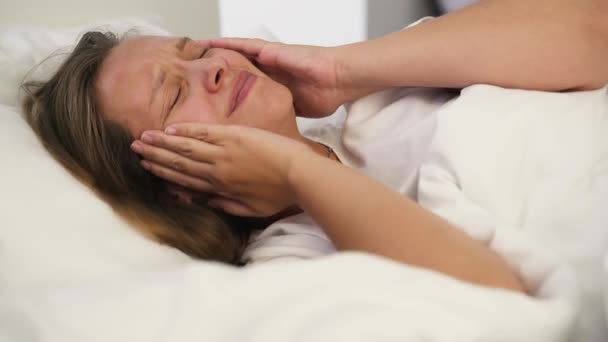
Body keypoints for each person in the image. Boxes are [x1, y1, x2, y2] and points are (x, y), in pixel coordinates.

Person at [22, 0, 607, 294]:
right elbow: (497, 302)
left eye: (197, 53)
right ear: (174, 183)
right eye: (174, 95)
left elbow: (594, 34)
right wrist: (298, 172)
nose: (217, 69)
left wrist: (339, 71)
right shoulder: (292, 270)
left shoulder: (378, 91)